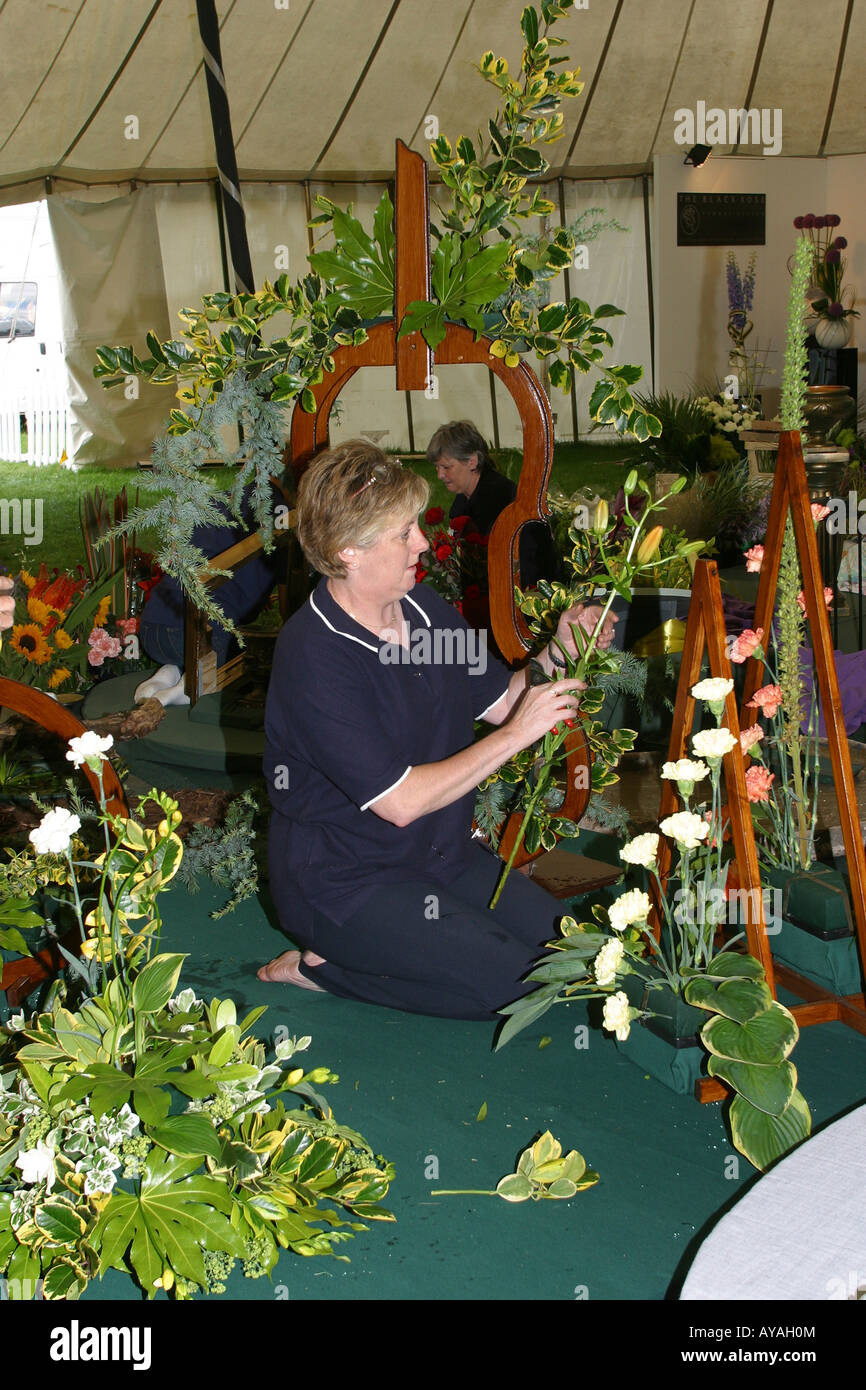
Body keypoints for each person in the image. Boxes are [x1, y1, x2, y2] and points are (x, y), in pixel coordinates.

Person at [258, 439, 617, 1020]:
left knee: (577, 959)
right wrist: (515, 737)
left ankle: (374, 957)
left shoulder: (423, 610)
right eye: (403, 533)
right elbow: (401, 802)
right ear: (348, 550)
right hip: (346, 885)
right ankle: (328, 970)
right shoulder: (315, 655)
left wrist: (557, 654)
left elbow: (502, 701)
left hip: (443, 857)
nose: (423, 543)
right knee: (522, 988)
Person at [135, 489, 281, 706]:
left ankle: (167, 673)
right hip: (199, 637)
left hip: (152, 627)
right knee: (244, 653)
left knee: (186, 646)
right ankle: (187, 686)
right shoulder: (282, 517)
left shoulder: (225, 498)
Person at [426, 419, 559, 591]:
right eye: (437, 468)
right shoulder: (465, 497)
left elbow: (523, 566)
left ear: (472, 461)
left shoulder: (500, 501)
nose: (440, 475)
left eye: (446, 467)